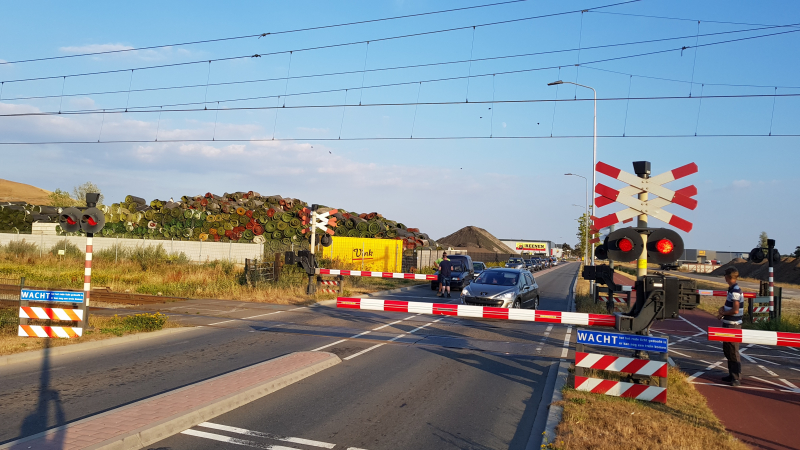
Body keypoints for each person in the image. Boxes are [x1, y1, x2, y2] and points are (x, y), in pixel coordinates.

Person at [717, 267, 744, 386]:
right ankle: (731, 374)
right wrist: (723, 309)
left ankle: (736, 377)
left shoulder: (735, 291)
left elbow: (735, 310)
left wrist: (723, 313)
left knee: (733, 351)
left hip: (733, 325)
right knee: (727, 350)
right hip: (728, 323)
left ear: (728, 277)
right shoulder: (732, 289)